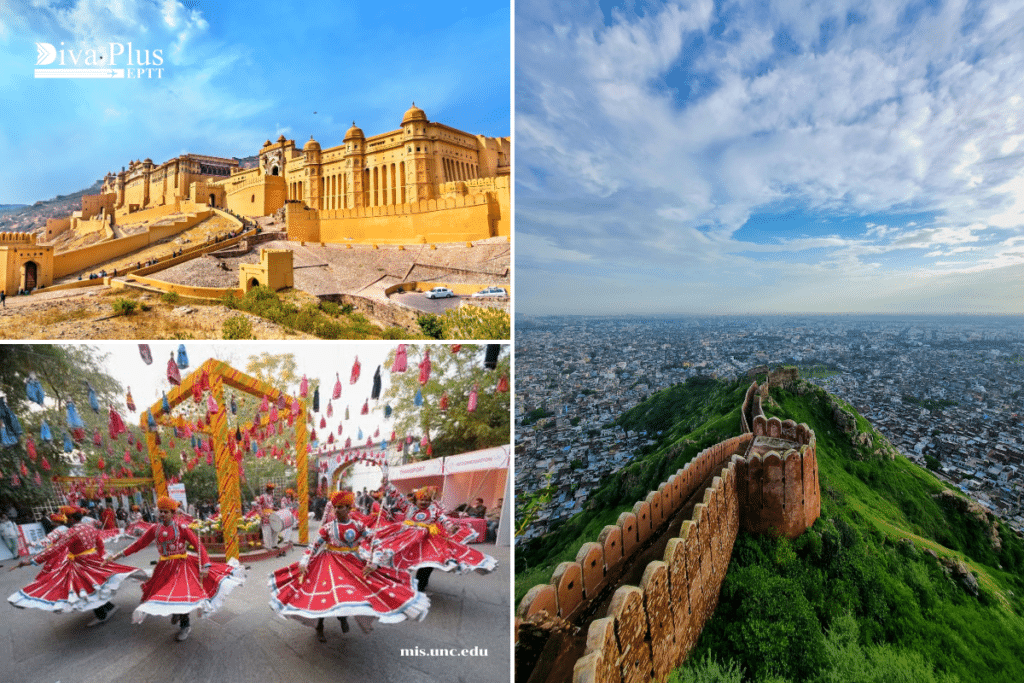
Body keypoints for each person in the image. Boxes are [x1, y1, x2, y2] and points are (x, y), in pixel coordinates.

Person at [269, 491, 428, 642]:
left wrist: (374, 563)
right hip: (330, 563)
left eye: (340, 507)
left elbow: (376, 543)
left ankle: (342, 617)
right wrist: (304, 562)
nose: (337, 510)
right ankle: (320, 626)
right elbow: (313, 546)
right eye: (335, 507)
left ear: (348, 508)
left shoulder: (359, 526)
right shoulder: (328, 528)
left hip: (354, 563)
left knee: (349, 595)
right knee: (327, 596)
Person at [105, 496, 245, 641]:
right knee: (165, 593)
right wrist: (118, 555)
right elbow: (138, 545)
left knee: (181, 593)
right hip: (163, 568)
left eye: (166, 512)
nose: (163, 514)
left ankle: (185, 625)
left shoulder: (181, 528)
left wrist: (205, 565)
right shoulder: (154, 529)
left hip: (182, 566)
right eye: (161, 511)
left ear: (173, 513)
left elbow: (198, 545)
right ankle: (177, 613)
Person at [8, 506, 144, 626]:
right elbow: (100, 544)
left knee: (87, 588)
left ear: (71, 519)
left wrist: (31, 561)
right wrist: (101, 556)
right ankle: (108, 606)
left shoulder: (72, 532)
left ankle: (102, 614)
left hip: (81, 563)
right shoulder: (90, 527)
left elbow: (56, 549)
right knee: (95, 585)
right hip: (93, 559)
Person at [373, 483, 497, 592]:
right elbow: (397, 495)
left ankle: (421, 586)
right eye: (421, 500)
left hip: (428, 539)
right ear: (415, 500)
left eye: (427, 500)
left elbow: (444, 520)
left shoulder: (434, 510)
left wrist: (451, 527)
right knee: (401, 560)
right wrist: (387, 484)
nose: (424, 502)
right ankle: (397, 581)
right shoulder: (408, 507)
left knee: (428, 564)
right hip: (407, 537)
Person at [258, 483, 278, 550]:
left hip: (272, 515)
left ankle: (274, 544)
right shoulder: (262, 496)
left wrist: (275, 508)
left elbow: (271, 506)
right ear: (268, 490)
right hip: (265, 517)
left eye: (272, 490)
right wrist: (261, 515)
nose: (272, 491)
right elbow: (259, 506)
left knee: (275, 530)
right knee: (267, 532)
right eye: (271, 490)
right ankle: (268, 546)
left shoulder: (271, 497)